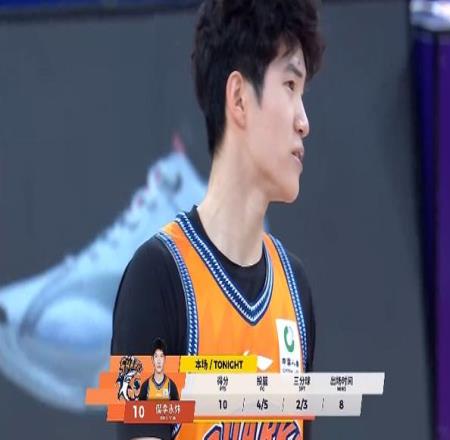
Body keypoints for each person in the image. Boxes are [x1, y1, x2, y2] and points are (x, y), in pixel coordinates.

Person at [111, 0, 324, 438]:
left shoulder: (295, 290)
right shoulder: (153, 280)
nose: (304, 121)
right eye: (290, 85)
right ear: (239, 99)